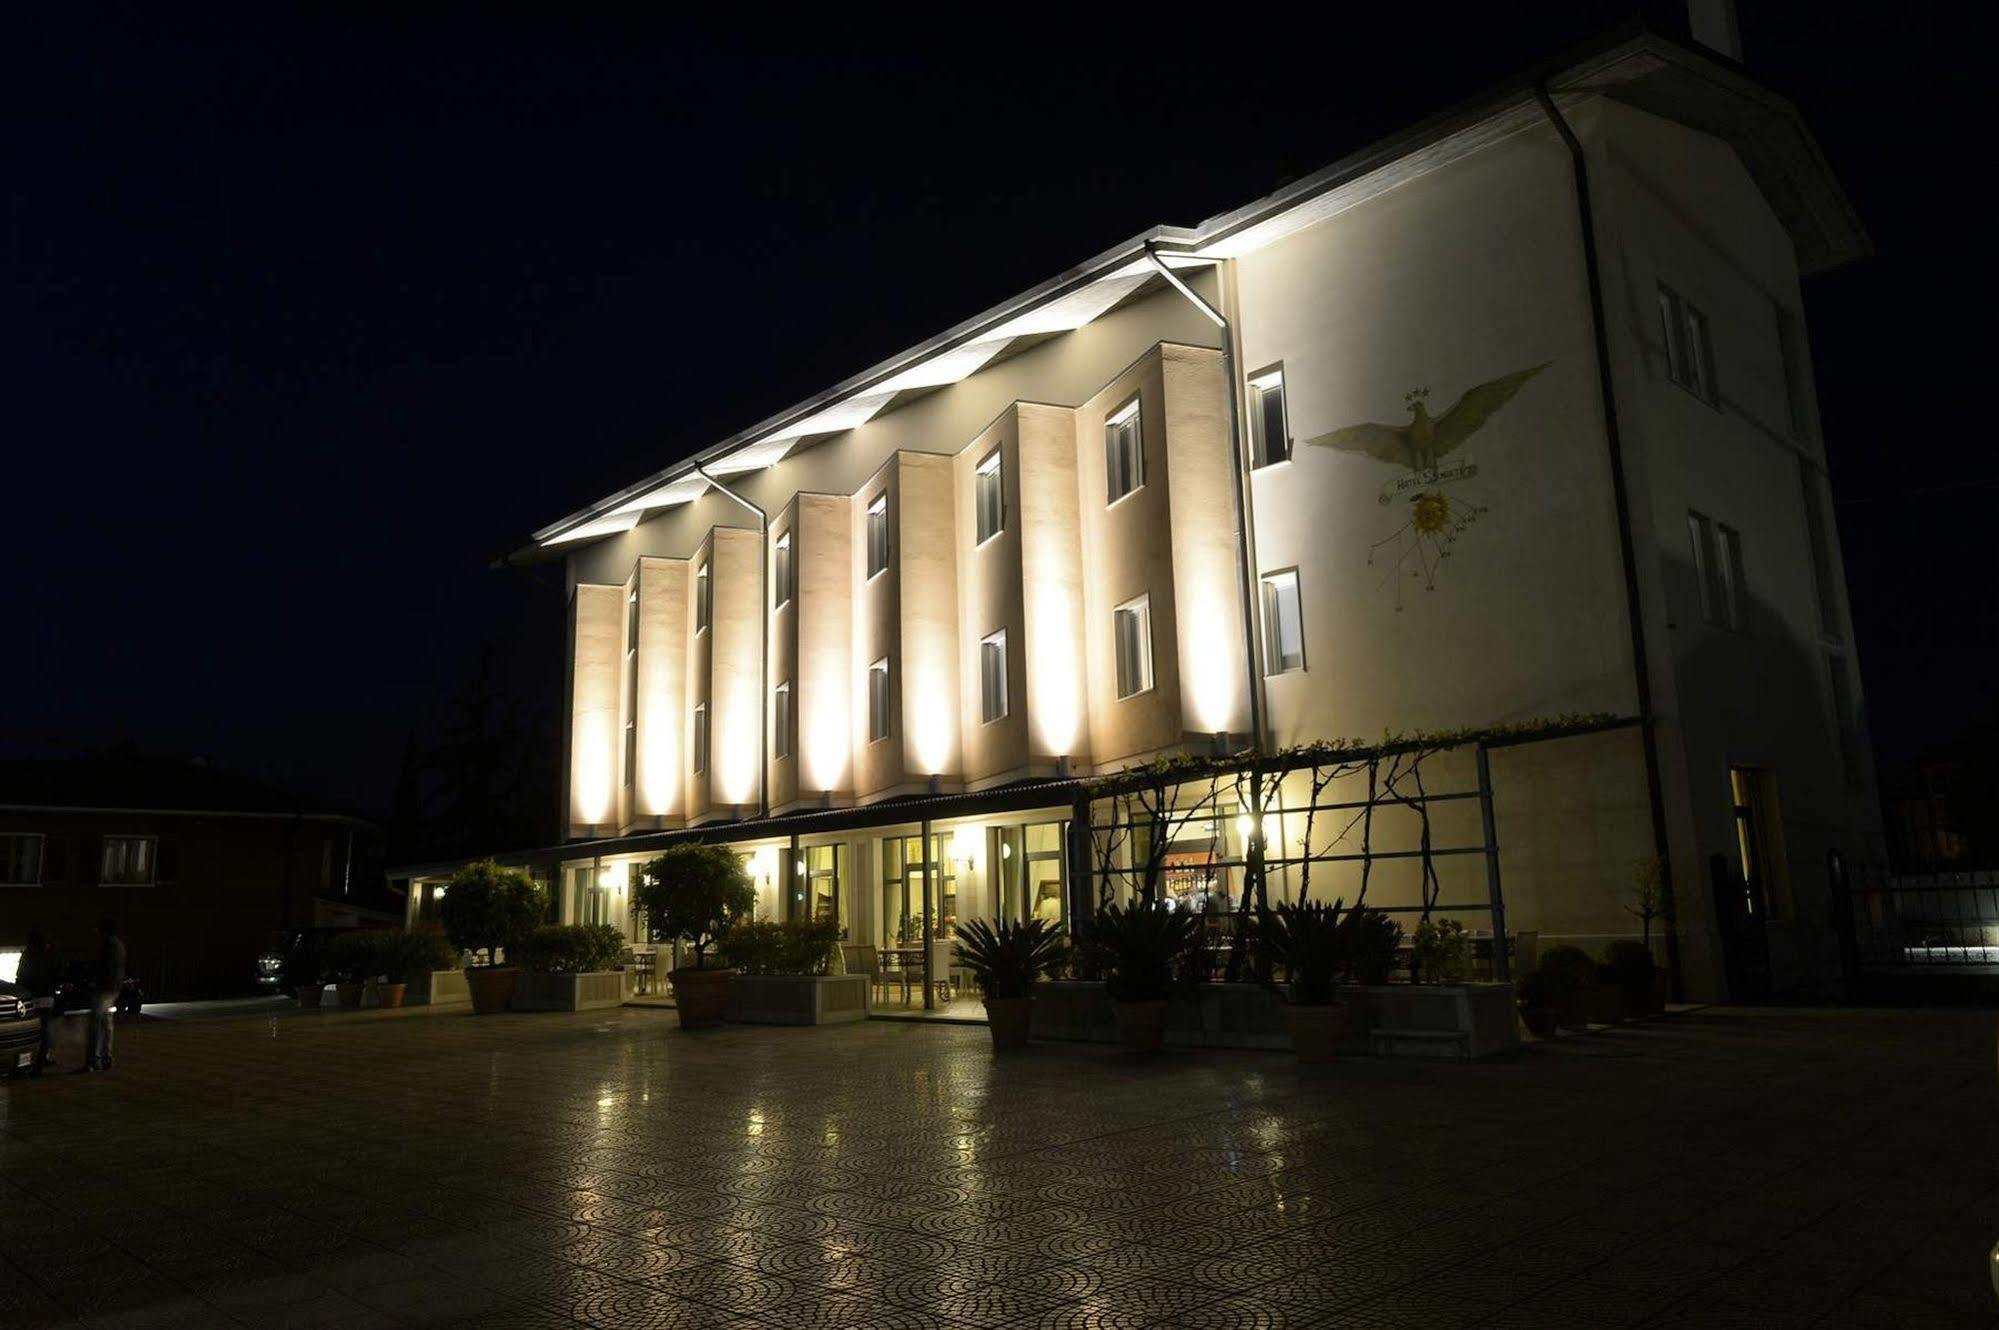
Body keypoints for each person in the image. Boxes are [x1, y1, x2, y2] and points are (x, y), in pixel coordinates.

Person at [81, 917, 125, 1073]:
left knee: (95, 1025)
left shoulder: (109, 945)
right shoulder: (118, 945)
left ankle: (93, 1061)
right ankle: (106, 1058)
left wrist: (95, 983)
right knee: (107, 1025)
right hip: (112, 989)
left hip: (104, 989)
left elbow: (103, 968)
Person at [15, 928, 60, 1073]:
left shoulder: (27, 955)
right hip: (47, 996)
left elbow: (21, 975)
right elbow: (56, 973)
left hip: (32, 996)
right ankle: (43, 1058)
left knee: (33, 1030)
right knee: (45, 1030)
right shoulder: (49, 955)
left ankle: (32, 1061)